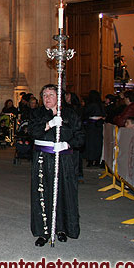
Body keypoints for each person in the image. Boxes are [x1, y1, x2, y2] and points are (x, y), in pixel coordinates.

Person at [29, 84, 84, 247]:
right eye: (44, 95)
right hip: (42, 158)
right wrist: (50, 124)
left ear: (58, 97)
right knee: (42, 193)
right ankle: (44, 231)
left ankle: (62, 228)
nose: (47, 98)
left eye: (51, 95)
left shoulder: (70, 114)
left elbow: (80, 137)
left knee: (63, 192)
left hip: (63, 159)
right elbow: (32, 132)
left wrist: (67, 144)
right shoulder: (37, 113)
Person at [82, 90, 105, 167]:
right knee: (98, 143)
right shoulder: (101, 105)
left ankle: (91, 160)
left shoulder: (91, 105)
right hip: (99, 126)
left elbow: (85, 112)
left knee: (91, 143)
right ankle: (98, 159)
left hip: (91, 126)